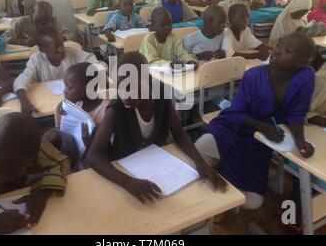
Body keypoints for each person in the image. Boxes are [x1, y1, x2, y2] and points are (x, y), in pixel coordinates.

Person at [195, 32, 316, 210]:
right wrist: (262, 127)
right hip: (235, 129)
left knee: (252, 203)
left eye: (287, 50)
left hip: (260, 142)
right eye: (279, 45)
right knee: (198, 152)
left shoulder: (306, 76)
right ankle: (220, 184)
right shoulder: (254, 76)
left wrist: (300, 140)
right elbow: (236, 112)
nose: (276, 51)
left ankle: (228, 173)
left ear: (301, 63)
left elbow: (297, 113)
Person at [87, 52, 227, 204]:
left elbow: (179, 133)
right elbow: (94, 155)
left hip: (157, 166)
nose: (125, 95)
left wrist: (200, 163)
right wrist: (126, 182)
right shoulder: (115, 110)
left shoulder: (162, 96)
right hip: (124, 170)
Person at [13, 26, 103, 115]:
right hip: (48, 101)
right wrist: (24, 101)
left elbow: (96, 63)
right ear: (42, 49)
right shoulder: (36, 60)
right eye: (55, 48)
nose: (61, 50)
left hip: (72, 101)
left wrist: (100, 73)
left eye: (62, 45)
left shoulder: (73, 52)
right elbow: (21, 80)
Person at [43, 62, 110, 171]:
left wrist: (88, 142)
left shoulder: (106, 112)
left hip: (90, 157)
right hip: (71, 148)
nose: (65, 91)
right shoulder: (73, 104)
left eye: (69, 88)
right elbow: (61, 131)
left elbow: (103, 152)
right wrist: (61, 113)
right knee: (51, 135)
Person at [3, 1, 70, 46]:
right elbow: (4, 37)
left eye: (45, 23)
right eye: (37, 21)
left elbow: (68, 33)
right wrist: (22, 42)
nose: (40, 25)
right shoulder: (21, 22)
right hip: (26, 57)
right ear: (32, 12)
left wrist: (56, 39)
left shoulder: (53, 21)